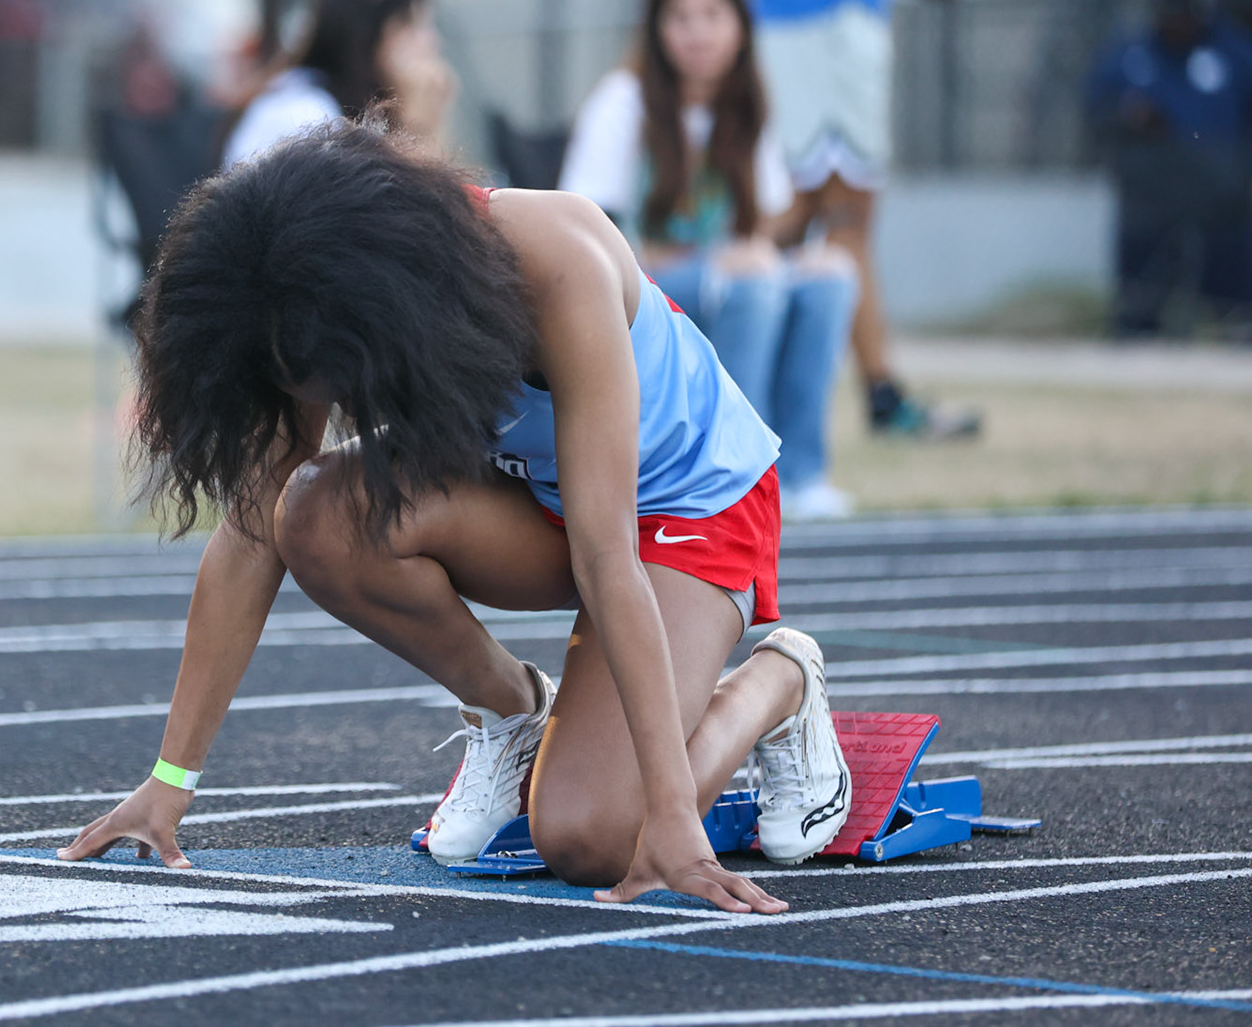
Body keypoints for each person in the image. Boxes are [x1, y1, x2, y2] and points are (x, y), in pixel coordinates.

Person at [59, 122, 856, 912]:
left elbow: (608, 555)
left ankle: (775, 683)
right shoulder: (309, 288)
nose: (318, 397)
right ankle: (515, 711)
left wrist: (674, 815)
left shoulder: (554, 260)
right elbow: (252, 530)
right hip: (540, 502)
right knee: (311, 511)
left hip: (685, 509)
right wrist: (168, 785)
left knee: (596, 840)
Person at [562, 0, 859, 522]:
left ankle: (802, 474)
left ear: (741, 28)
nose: (698, 33)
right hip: (640, 283)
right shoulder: (624, 102)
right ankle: (735, 476)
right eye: (681, 17)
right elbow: (585, 224)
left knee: (829, 277)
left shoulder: (748, 106)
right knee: (751, 284)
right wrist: (720, 260)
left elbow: (764, 225)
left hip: (730, 269)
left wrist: (796, 256)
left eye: (713, 16)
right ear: (657, 30)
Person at [749, 0, 977, 439]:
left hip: (835, 14)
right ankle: (682, 327)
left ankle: (879, 394)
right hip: (814, 16)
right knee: (820, 207)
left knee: (838, 211)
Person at [1086, 0, 1252, 335]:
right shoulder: (1131, 55)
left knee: (1229, 279)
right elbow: (1096, 110)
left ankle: (1235, 328)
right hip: (1152, 189)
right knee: (1143, 280)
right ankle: (1136, 332)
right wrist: (1127, 117)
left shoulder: (1232, 53)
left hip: (1219, 190)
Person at [222, 0, 456, 168]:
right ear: (367, 36)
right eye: (411, 26)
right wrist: (419, 126)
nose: (431, 42)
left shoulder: (351, 107)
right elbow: (400, 207)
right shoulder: (301, 113)